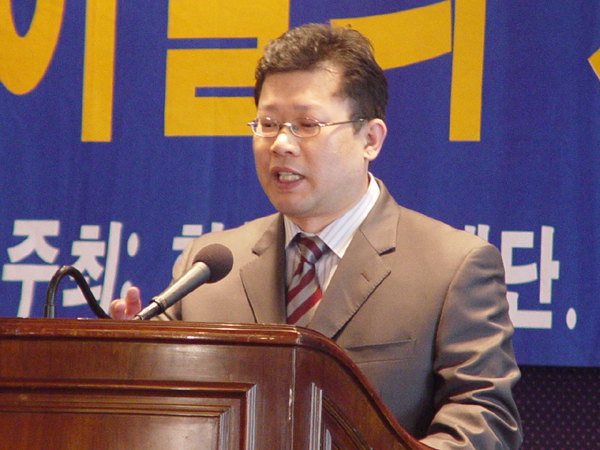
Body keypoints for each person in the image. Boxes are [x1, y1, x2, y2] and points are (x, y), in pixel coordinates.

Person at [111, 23, 522, 450]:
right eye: (268, 124)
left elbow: (485, 424)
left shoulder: (452, 268)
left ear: (370, 139)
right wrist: (125, 363)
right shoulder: (207, 269)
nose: (281, 144)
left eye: (306, 124)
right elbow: (158, 416)